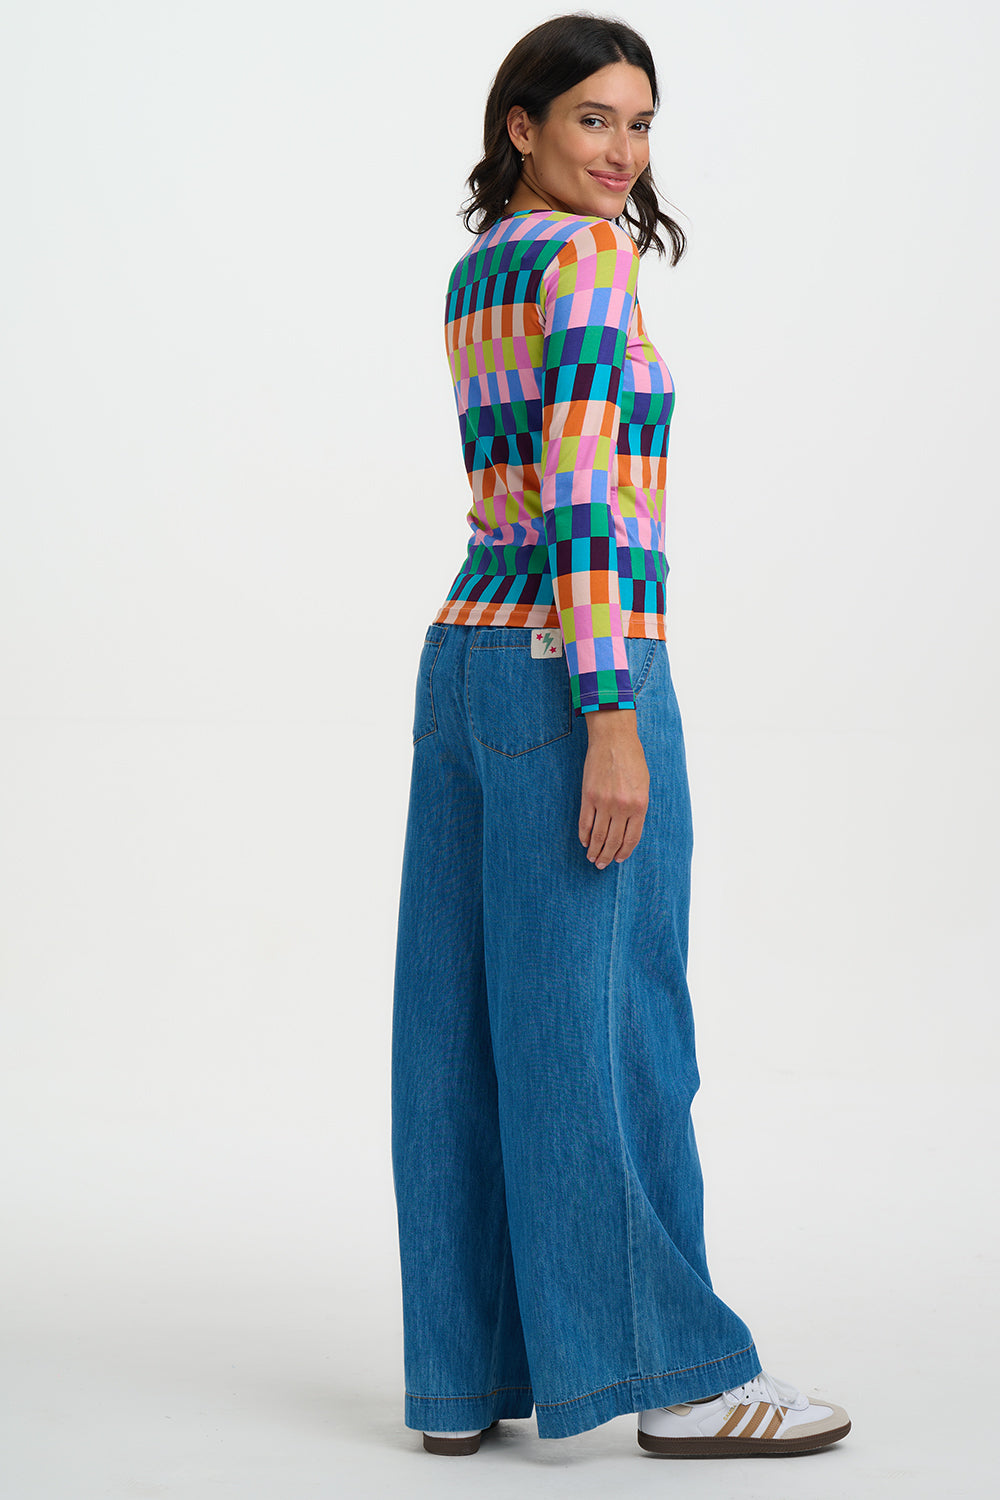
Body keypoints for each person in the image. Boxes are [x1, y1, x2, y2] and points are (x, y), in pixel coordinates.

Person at [390, 13, 851, 1459]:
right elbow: (590, 496)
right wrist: (611, 714)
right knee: (613, 1030)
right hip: (574, 662)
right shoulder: (587, 261)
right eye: (594, 119)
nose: (625, 152)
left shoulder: (482, 267)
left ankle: (462, 1383)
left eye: (641, 125)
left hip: (466, 657)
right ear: (519, 124)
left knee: (466, 1031)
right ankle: (674, 1374)